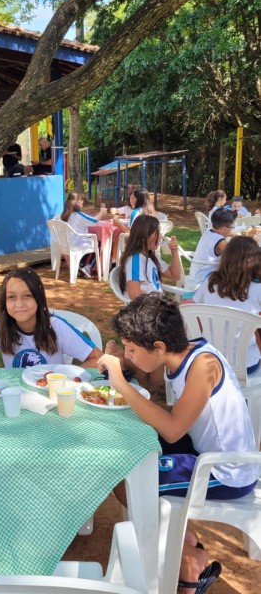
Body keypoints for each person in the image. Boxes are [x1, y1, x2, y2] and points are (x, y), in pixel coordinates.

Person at [98, 293, 258, 593]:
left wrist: (120, 382)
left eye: (132, 349)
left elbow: (171, 430)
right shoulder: (181, 352)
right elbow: (150, 383)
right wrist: (123, 359)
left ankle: (188, 568)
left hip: (226, 471)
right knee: (133, 451)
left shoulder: (204, 366)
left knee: (124, 478)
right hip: (200, 449)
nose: (129, 354)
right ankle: (189, 546)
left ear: (158, 347)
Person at [0, 267, 102, 372]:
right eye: (11, 297)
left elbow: (98, 359)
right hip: (16, 398)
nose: (19, 304)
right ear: (4, 302)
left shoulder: (57, 327)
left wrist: (68, 381)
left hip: (52, 398)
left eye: (27, 296)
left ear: (39, 299)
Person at [193, 236, 261, 373]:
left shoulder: (210, 282)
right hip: (246, 365)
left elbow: (196, 313)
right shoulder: (258, 288)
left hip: (210, 359)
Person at [119, 215, 182, 299]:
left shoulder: (151, 257)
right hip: (148, 308)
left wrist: (174, 252)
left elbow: (175, 275)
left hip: (156, 304)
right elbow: (134, 295)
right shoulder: (135, 261)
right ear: (143, 237)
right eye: (157, 233)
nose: (160, 236)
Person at [61, 192, 107, 277]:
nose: (82, 202)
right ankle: (88, 267)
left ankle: (81, 265)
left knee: (89, 240)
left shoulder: (64, 215)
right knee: (98, 244)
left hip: (67, 244)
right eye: (81, 200)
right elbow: (94, 221)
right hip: (77, 243)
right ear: (77, 202)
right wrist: (101, 212)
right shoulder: (79, 215)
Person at [189, 208, 235, 285]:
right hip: (203, 278)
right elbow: (235, 253)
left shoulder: (208, 231)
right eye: (232, 227)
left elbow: (221, 234)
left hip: (195, 273)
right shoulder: (219, 240)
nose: (232, 229)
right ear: (223, 229)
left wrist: (231, 234)